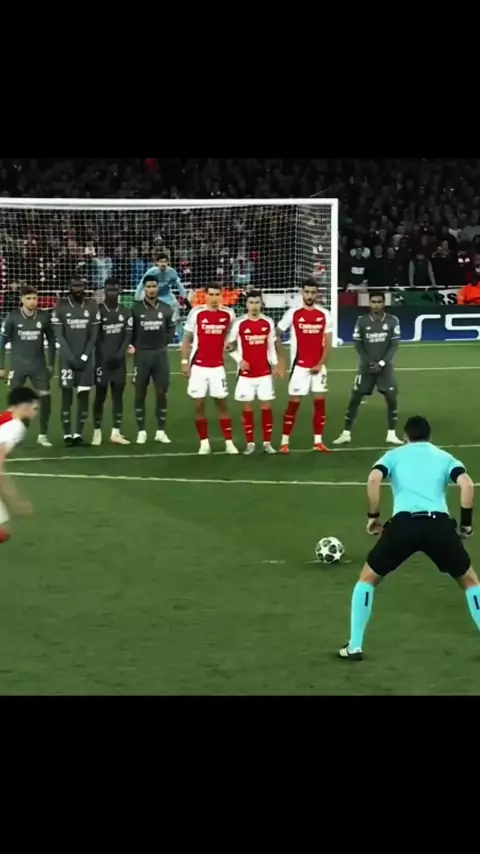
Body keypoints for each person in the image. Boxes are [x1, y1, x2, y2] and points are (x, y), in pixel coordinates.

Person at [339, 416, 480, 661]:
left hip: (403, 525)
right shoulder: (445, 457)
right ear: (429, 437)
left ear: (405, 437)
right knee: (470, 581)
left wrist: (373, 516)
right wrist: (466, 524)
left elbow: (374, 479)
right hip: (439, 526)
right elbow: (467, 486)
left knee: (367, 580)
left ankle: (355, 646)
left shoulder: (393, 456)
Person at [334, 292, 402, 446]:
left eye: (379, 302)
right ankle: (346, 433)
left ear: (383, 303)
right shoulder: (362, 321)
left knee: (391, 398)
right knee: (355, 398)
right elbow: (358, 344)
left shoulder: (392, 321)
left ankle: (391, 434)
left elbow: (394, 345)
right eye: (373, 302)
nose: (376, 305)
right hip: (366, 368)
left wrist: (382, 363)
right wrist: (370, 361)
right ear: (369, 303)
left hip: (385, 368)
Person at [275, 276, 332, 454]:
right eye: (307, 292)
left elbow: (328, 343)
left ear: (317, 294)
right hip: (299, 367)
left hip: (318, 368)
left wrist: (320, 364)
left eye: (313, 292)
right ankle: (284, 442)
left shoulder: (324, 314)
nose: (309, 295)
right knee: (294, 404)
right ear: (302, 292)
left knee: (320, 404)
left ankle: (318, 442)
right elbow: (277, 334)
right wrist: (281, 359)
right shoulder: (293, 313)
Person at [181, 281, 238, 455]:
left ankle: (229, 443)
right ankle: (204, 443)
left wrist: (231, 345)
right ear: (205, 296)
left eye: (217, 294)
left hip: (217, 367)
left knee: (222, 405)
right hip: (198, 367)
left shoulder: (229, 314)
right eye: (211, 294)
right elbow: (187, 339)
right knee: (199, 405)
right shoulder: (196, 313)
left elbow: (233, 338)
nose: (214, 298)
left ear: (222, 296)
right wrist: (184, 362)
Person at [0, 286, 55, 447]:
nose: (32, 302)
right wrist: (1, 366)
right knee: (15, 402)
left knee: (45, 398)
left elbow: (52, 341)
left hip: (38, 366)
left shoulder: (43, 317)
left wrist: (51, 363)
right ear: (22, 299)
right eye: (29, 298)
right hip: (18, 366)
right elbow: (1, 342)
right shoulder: (13, 317)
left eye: (34, 298)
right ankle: (13, 435)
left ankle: (43, 435)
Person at [227, 290, 280, 455]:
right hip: (246, 375)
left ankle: (267, 443)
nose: (254, 306)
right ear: (247, 304)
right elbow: (228, 346)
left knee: (266, 407)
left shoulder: (268, 322)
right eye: (251, 302)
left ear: (261, 304)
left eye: (257, 302)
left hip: (264, 373)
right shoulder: (240, 324)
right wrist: (239, 360)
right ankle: (250, 443)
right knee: (247, 407)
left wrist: (275, 365)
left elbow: (271, 346)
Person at [51, 278, 100, 447]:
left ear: (85, 288)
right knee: (66, 397)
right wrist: (71, 358)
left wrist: (84, 357)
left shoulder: (92, 306)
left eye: (80, 286)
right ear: (69, 287)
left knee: (83, 396)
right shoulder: (60, 306)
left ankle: (78, 434)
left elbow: (94, 335)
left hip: (87, 360)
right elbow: (59, 336)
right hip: (67, 360)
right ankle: (67, 435)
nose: (78, 289)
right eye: (74, 286)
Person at [130, 276, 175, 445]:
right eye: (148, 286)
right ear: (144, 288)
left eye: (154, 286)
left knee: (162, 392)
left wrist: (164, 342)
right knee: (140, 393)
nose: (151, 289)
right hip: (142, 355)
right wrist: (133, 345)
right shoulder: (135, 309)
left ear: (157, 288)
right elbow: (130, 331)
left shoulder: (166, 308)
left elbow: (171, 328)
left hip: (160, 355)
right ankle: (141, 431)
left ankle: (160, 431)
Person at [92, 278, 132, 446]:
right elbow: (96, 337)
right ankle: (97, 432)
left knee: (118, 396)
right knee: (100, 396)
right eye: (109, 290)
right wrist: (105, 355)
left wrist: (120, 354)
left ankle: (116, 432)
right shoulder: (98, 311)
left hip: (119, 362)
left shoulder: (125, 311)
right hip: (102, 362)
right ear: (104, 291)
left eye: (114, 290)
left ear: (119, 291)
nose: (112, 293)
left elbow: (127, 335)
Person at [0, 386, 39, 542]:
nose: (36, 413)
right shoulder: (16, 427)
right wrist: (16, 500)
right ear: (24, 406)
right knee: (3, 531)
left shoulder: (5, 418)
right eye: (35, 408)